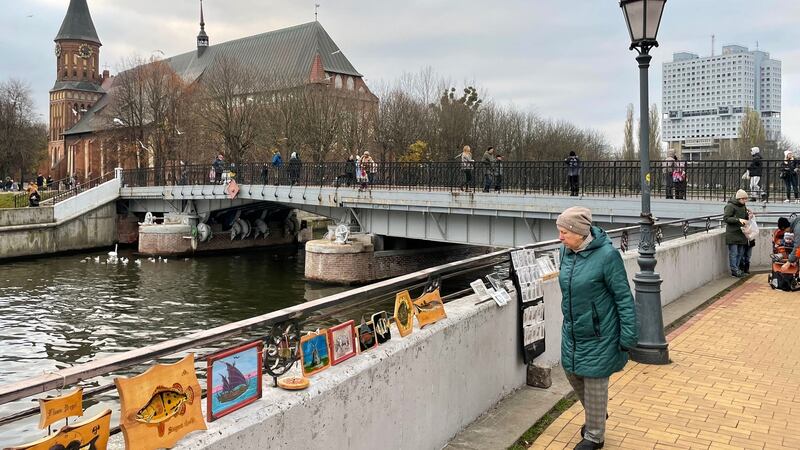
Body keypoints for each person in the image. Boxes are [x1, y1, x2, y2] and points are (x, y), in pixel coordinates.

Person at [556, 206, 638, 450]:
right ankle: (597, 413)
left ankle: (594, 437)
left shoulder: (607, 256)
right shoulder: (566, 251)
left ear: (580, 233)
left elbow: (623, 297)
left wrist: (628, 335)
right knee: (572, 371)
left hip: (600, 332)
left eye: (564, 232)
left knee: (594, 380)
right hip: (572, 329)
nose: (560, 237)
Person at [724, 189, 750, 278]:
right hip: (732, 233)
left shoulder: (743, 206)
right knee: (734, 253)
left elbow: (745, 216)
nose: (745, 201)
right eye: (744, 199)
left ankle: (738, 269)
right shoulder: (730, 206)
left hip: (741, 233)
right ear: (739, 198)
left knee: (740, 253)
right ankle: (734, 270)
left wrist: (748, 215)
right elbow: (726, 218)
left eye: (746, 199)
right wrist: (738, 219)